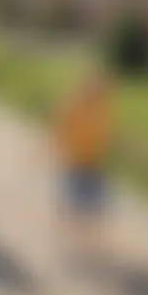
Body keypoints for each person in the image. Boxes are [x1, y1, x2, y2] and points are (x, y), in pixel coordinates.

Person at [54, 72, 113, 267]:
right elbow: (61, 130)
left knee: (95, 209)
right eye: (94, 91)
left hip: (93, 166)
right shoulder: (74, 108)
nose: (97, 95)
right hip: (75, 164)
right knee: (75, 207)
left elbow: (104, 138)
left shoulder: (101, 112)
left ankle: (87, 247)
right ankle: (72, 247)